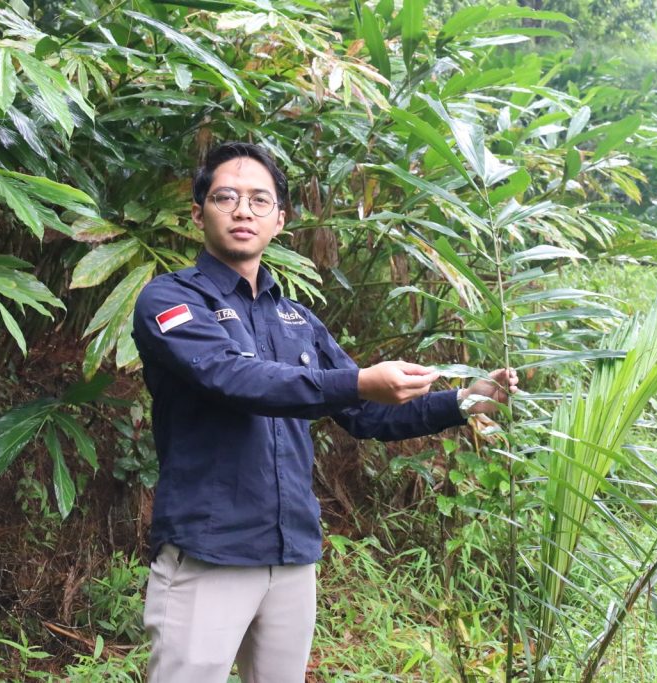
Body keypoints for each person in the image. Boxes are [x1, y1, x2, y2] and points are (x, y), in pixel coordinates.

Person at [131, 142, 517, 682]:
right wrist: (358, 380)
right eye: (226, 197)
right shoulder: (169, 300)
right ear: (199, 213)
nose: (243, 211)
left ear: (280, 220)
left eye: (260, 200)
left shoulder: (296, 318)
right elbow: (231, 378)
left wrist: (461, 401)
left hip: (292, 556)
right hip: (209, 551)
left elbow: (367, 415)